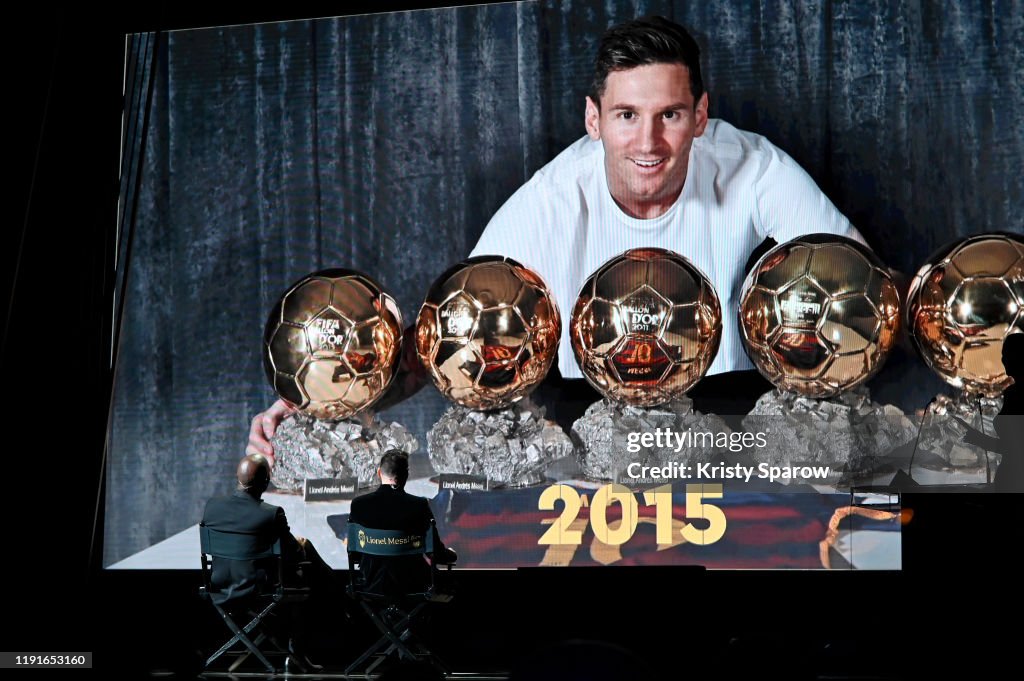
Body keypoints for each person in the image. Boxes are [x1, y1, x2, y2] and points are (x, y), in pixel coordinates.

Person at [248, 15, 868, 456]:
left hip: (728, 401)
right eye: (626, 116)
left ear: (700, 115)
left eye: (670, 116)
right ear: (594, 119)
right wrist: (322, 399)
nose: (649, 143)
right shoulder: (548, 200)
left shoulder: (752, 165)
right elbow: (447, 342)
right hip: (588, 409)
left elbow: (861, 284)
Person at [202, 453, 336, 664]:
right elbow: (293, 553)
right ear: (266, 482)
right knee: (308, 570)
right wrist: (301, 545)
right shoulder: (270, 514)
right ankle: (297, 653)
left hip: (219, 586)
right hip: (258, 590)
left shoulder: (212, 507)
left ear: (238, 478)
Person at [348, 450, 457, 594]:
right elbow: (435, 552)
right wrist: (451, 554)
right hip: (413, 586)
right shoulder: (418, 505)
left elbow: (354, 553)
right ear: (406, 475)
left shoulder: (358, 505)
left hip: (370, 585)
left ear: (379, 473)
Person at [957, 332, 1023, 492]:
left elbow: (1016, 449)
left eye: (1006, 354)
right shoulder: (1011, 392)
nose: (1002, 360)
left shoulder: (1017, 395)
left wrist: (979, 439)